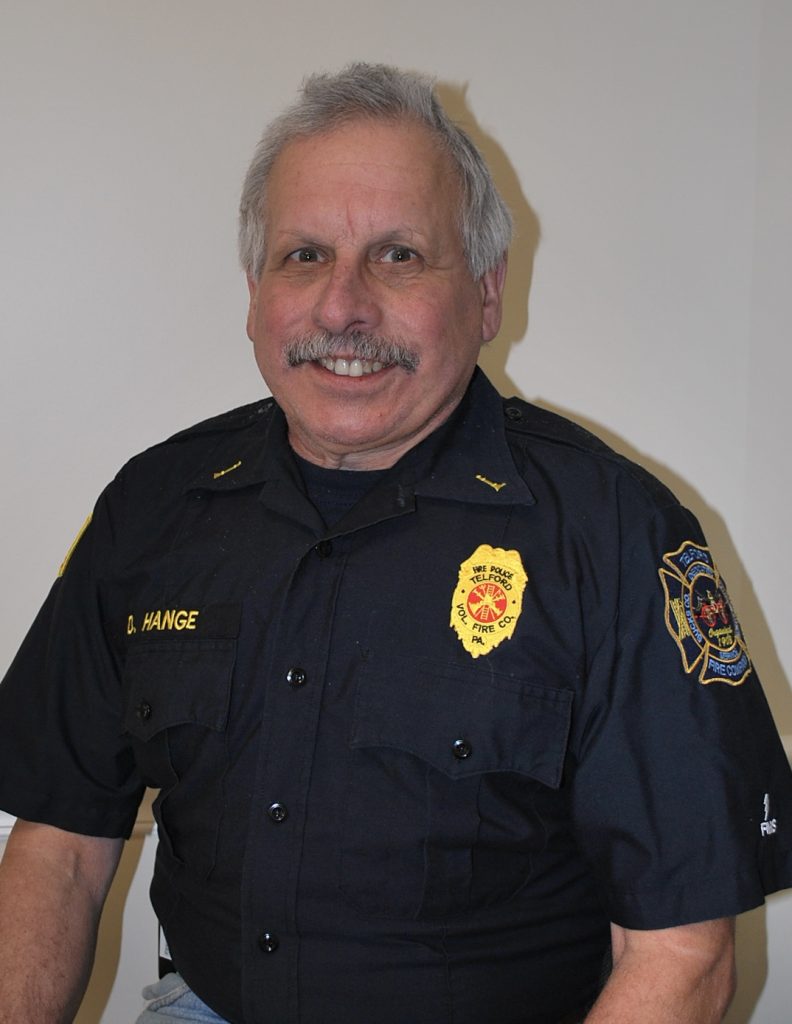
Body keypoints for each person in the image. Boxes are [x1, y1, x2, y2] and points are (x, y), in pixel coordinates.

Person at [0, 62, 790, 1024]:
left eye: (399, 256)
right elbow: (59, 849)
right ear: (254, 292)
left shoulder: (616, 534)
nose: (342, 307)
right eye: (304, 256)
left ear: (487, 294)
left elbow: (682, 957)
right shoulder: (153, 509)